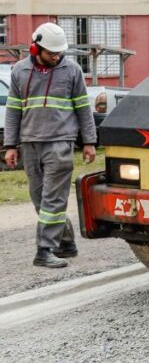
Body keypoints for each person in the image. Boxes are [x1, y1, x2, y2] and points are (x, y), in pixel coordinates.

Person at [3, 23, 97, 268]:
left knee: (53, 199)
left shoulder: (72, 70)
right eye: (51, 53)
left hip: (60, 143)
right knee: (40, 199)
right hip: (30, 143)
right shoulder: (19, 72)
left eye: (59, 53)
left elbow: (83, 110)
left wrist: (89, 141)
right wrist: (10, 145)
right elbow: (13, 112)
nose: (56, 56)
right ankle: (66, 241)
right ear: (36, 48)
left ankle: (44, 250)